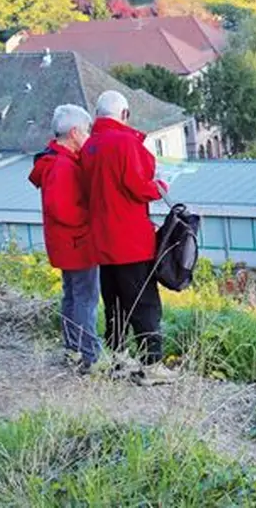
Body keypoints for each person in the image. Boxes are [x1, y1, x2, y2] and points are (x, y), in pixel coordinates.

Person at [80, 90, 175, 385]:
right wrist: (159, 186)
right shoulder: (124, 143)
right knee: (145, 303)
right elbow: (138, 185)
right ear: (124, 114)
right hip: (130, 240)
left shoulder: (89, 146)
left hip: (102, 240)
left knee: (116, 302)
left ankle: (119, 359)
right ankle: (151, 365)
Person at [28, 104, 100, 373]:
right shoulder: (63, 166)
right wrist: (93, 218)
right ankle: (89, 355)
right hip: (77, 242)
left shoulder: (50, 161)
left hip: (63, 243)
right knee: (86, 298)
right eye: (85, 132)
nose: (88, 138)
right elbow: (63, 209)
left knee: (72, 295)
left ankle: (73, 348)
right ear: (73, 132)